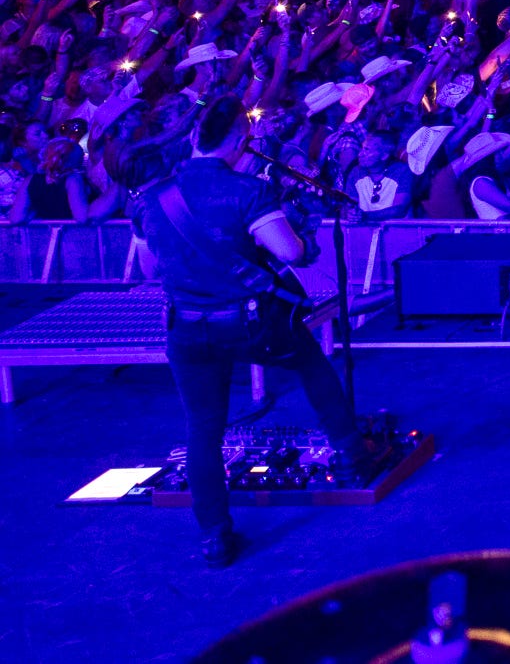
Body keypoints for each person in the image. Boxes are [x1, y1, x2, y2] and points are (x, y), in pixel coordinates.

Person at [133, 95, 384, 568]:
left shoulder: (152, 196)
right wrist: (306, 239)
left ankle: (215, 536)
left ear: (192, 138)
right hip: (249, 323)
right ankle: (353, 457)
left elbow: (151, 269)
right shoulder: (247, 190)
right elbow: (289, 253)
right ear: (238, 142)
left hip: (186, 328)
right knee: (312, 366)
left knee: (202, 429)